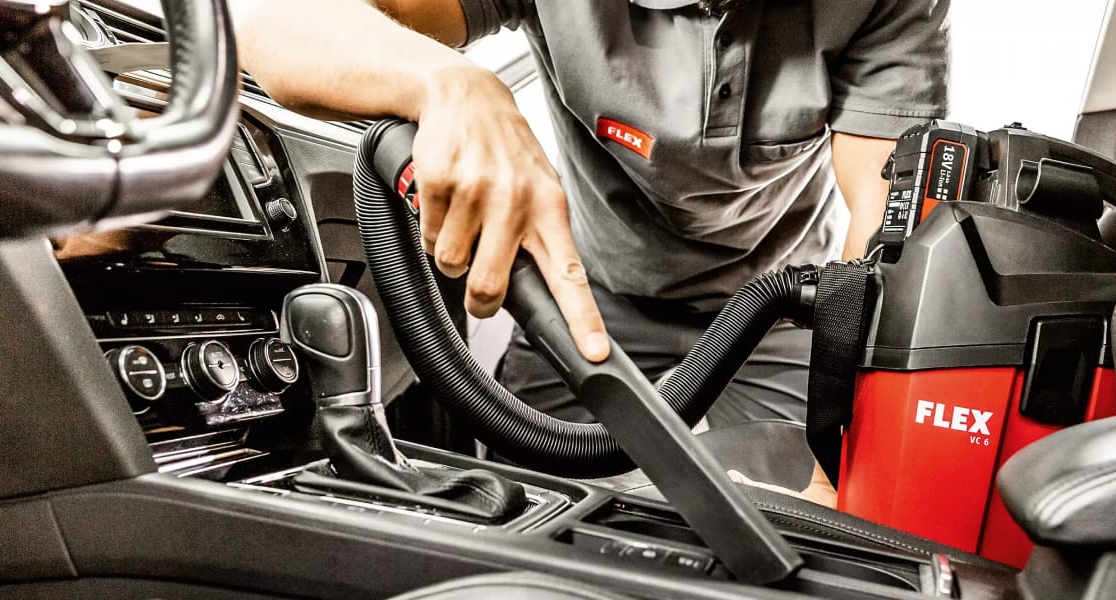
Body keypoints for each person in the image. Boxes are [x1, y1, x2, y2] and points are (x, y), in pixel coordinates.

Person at [235, 0, 948, 504]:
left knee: (816, 526)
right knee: (527, 506)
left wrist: (839, 479)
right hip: (591, 301)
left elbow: (885, 223)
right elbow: (273, 17)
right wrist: (451, 84)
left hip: (780, 313)